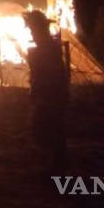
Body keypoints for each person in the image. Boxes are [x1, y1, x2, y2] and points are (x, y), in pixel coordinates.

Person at [23, 9, 68, 172]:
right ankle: (55, 165)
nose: (31, 33)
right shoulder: (47, 47)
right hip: (50, 95)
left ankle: (55, 168)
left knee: (45, 129)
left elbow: (48, 74)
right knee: (47, 130)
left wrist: (40, 92)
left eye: (32, 29)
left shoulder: (47, 49)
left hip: (50, 95)